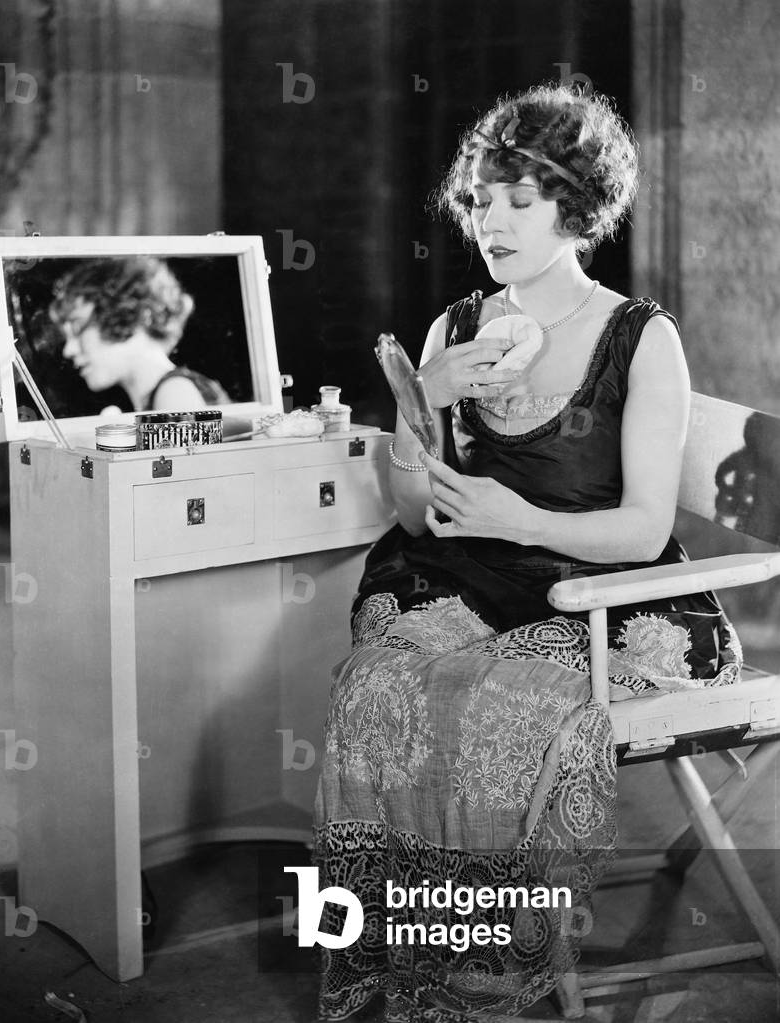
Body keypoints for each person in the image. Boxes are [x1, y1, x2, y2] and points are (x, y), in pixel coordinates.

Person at [313, 84, 742, 1022]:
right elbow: (417, 516)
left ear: (574, 207)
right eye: (479, 201)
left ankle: (487, 972)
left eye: (519, 200)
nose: (491, 223)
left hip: (606, 592)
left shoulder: (640, 337)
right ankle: (408, 958)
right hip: (469, 578)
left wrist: (520, 518)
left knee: (497, 704)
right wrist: (420, 400)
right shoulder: (454, 328)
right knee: (371, 687)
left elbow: (640, 530)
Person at [50, 256, 230, 411]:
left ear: (125, 315)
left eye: (78, 328)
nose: (68, 350)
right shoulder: (168, 392)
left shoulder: (174, 393)